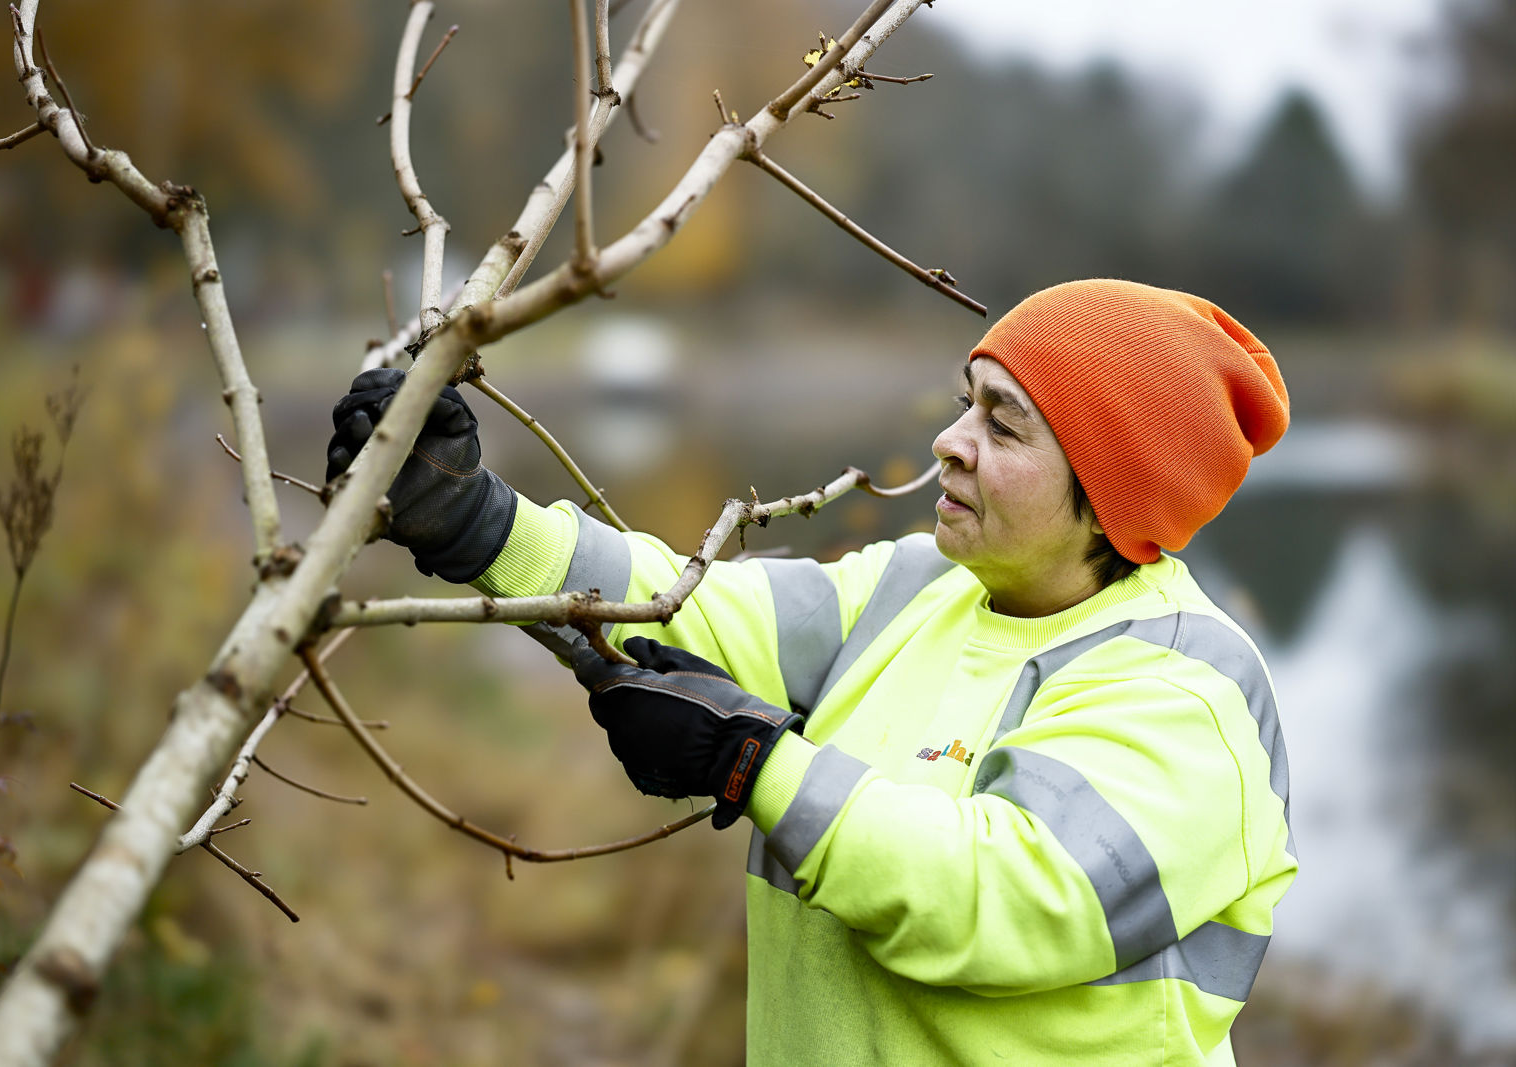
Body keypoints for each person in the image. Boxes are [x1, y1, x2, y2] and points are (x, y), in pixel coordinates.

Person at [325, 279, 1297, 1065]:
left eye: (1002, 426)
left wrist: (753, 761)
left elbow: (1004, 897)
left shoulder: (1184, 687)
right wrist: (480, 523)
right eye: (966, 404)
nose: (949, 441)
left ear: (1108, 490)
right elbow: (684, 609)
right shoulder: (921, 586)